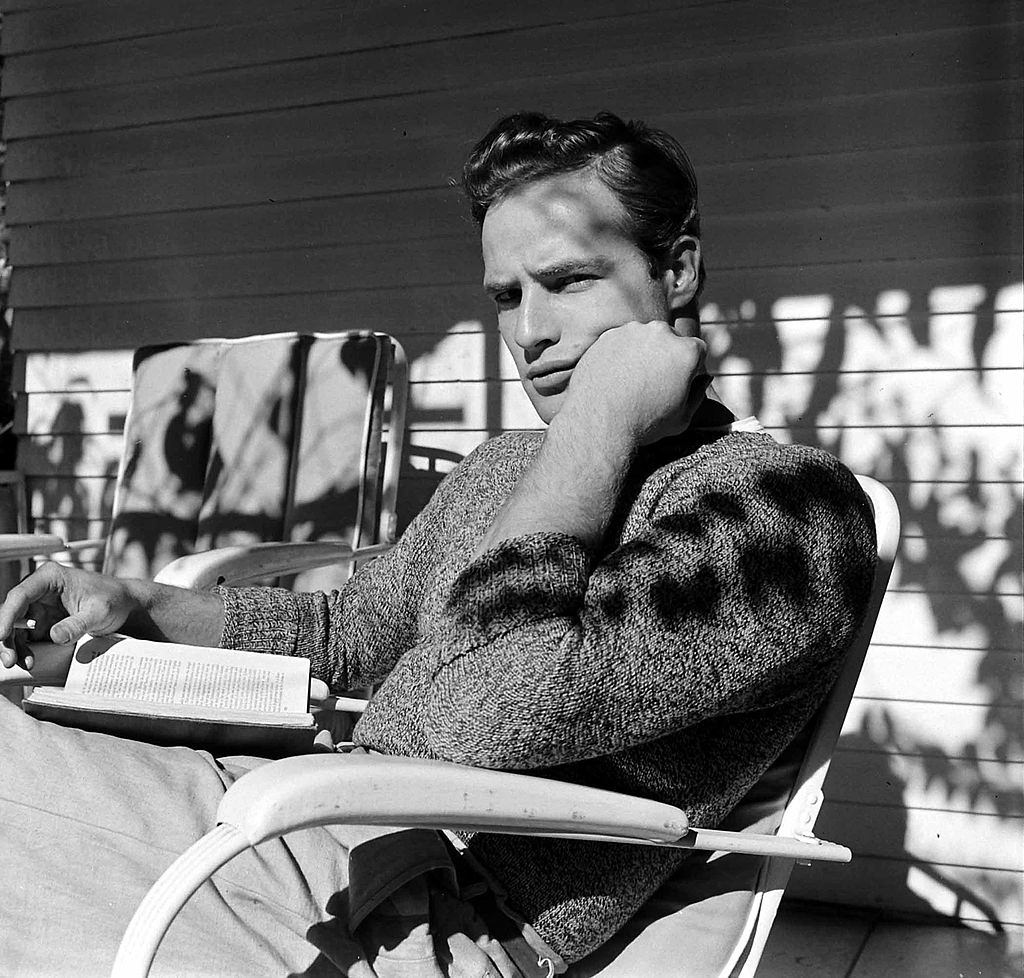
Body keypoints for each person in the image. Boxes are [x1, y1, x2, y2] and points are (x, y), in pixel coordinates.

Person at [0, 111, 876, 977]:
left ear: (677, 270)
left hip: (421, 916)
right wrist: (144, 604)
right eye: (506, 296)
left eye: (568, 282)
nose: (528, 332)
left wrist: (600, 420)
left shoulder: (785, 513)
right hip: (290, 829)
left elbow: (485, 710)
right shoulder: (509, 468)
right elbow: (346, 636)